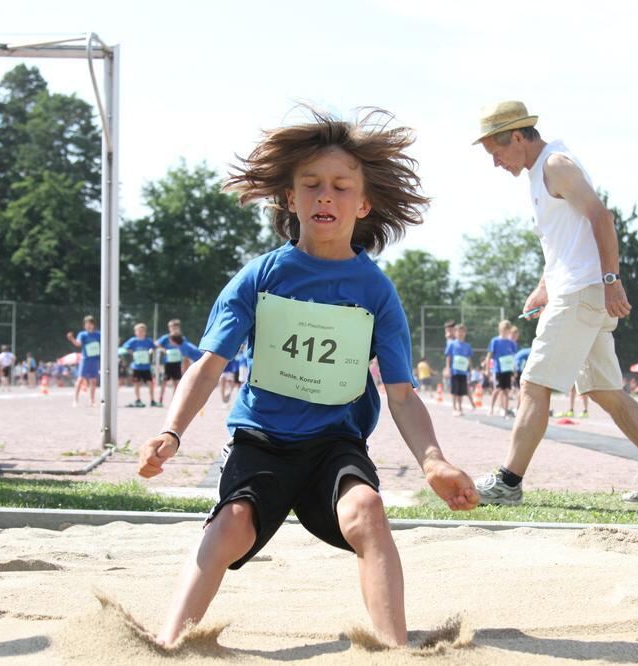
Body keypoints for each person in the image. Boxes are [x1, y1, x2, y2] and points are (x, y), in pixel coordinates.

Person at [137, 108, 478, 648]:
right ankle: (168, 644)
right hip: (261, 441)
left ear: (363, 204)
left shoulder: (376, 291)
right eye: (312, 184)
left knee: (367, 510)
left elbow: (401, 395)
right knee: (232, 524)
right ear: (290, 199)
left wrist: (433, 460)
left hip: (334, 445)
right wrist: (170, 431)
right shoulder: (260, 277)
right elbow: (208, 366)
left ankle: (394, 651)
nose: (325, 196)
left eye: (341, 187)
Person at [471, 100, 638, 505]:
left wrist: (612, 281)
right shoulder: (539, 173)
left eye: (495, 151)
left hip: (581, 293)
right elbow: (564, 241)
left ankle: (507, 483)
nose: (495, 162)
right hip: (576, 290)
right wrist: (544, 285)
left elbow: (601, 218)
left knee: (533, 385)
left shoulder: (556, 165)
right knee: (605, 391)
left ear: (517, 137)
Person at [155, 319, 203, 406]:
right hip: (168, 363)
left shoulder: (182, 342)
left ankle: (178, 401)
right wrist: (163, 350)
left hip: (179, 363)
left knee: (179, 382)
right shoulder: (167, 338)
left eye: (175, 327)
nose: (173, 329)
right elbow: (156, 344)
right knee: (165, 381)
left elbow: (186, 358)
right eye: (171, 327)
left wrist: (185, 371)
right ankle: (161, 399)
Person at [484, 319, 517, 417]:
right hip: (498, 369)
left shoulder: (511, 343)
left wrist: (514, 370)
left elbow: (513, 358)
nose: (505, 331)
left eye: (507, 330)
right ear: (500, 329)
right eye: (504, 329)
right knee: (497, 389)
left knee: (506, 390)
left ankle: (505, 410)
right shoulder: (495, 341)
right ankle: (491, 408)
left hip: (507, 370)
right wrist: (487, 369)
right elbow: (489, 356)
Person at [67, 315, 101, 407]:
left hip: (95, 360)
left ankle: (92, 400)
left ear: (93, 325)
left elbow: (105, 343)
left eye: (90, 324)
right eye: (86, 324)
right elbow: (78, 344)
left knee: (93, 380)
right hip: (85, 359)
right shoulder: (82, 334)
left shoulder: (98, 334)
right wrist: (72, 339)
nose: (88, 326)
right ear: (84, 325)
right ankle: (75, 400)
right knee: (80, 379)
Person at [123, 323, 159, 407]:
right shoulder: (133, 341)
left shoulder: (148, 341)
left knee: (150, 383)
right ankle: (138, 400)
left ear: (145, 332)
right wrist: (132, 353)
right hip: (136, 366)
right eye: (138, 331)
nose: (140, 333)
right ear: (135, 332)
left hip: (146, 367)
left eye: (142, 331)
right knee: (137, 383)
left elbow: (154, 347)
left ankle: (152, 400)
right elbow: (125, 347)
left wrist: (151, 351)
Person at [444, 323, 473, 416]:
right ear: (455, 333)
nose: (460, 333)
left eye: (462, 332)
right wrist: (448, 368)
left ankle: (460, 407)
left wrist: (470, 369)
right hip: (454, 372)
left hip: (463, 372)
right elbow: (448, 357)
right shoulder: (452, 344)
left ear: (465, 333)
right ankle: (454, 408)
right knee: (455, 390)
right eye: (458, 332)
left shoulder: (467, 346)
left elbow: (469, 358)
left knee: (461, 391)